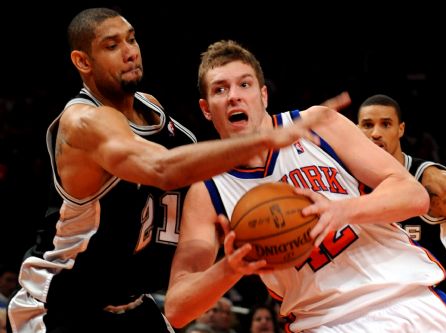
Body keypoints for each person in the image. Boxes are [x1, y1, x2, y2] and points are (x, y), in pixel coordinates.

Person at [6, 9, 331, 333]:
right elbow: (163, 169)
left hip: (132, 305)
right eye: (112, 45)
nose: (130, 51)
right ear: (83, 61)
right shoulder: (83, 122)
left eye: (131, 39)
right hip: (61, 307)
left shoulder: (152, 109)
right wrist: (263, 139)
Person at [164, 40, 446, 332]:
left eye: (245, 85)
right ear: (206, 109)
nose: (234, 97)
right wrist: (230, 268)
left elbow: (413, 195)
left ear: (263, 95)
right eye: (220, 89)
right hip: (322, 322)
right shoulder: (208, 189)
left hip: (408, 298)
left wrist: (341, 210)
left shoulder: (317, 124)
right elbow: (176, 309)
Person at [357, 93, 446, 295]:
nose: (375, 133)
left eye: (386, 124)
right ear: (356, 130)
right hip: (374, 307)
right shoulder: (345, 183)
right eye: (367, 125)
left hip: (433, 306)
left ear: (401, 129)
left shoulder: (435, 183)